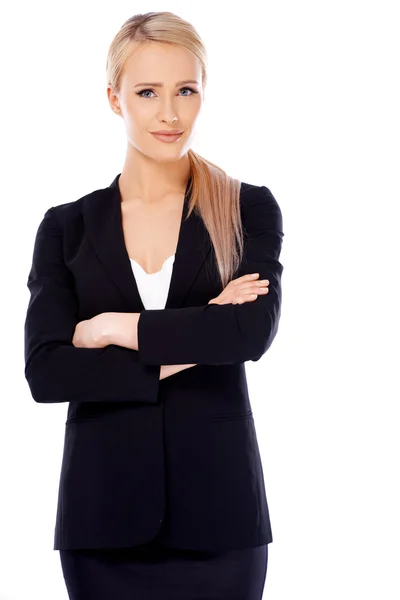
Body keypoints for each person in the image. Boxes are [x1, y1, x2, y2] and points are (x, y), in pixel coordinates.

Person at [23, 11, 283, 600]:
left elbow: (249, 333)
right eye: (148, 92)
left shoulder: (248, 209)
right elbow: (47, 371)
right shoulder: (66, 228)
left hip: (222, 516)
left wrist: (117, 328)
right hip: (103, 517)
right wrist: (200, 332)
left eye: (186, 90)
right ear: (115, 99)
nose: (170, 113)